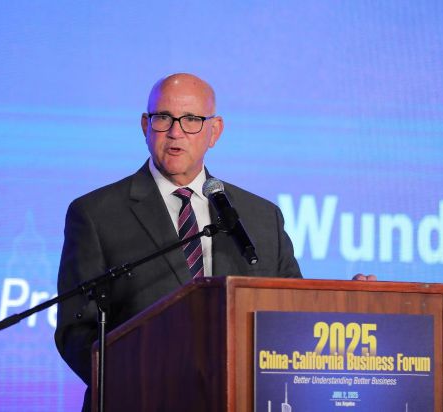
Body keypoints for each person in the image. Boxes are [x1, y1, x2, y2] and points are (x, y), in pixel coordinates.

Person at [54, 73, 302, 411]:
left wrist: (356, 301)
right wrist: (140, 387)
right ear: (145, 125)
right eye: (163, 118)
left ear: (215, 131)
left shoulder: (261, 217)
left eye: (191, 119)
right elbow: (77, 332)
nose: (176, 132)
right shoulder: (96, 214)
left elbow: (292, 313)